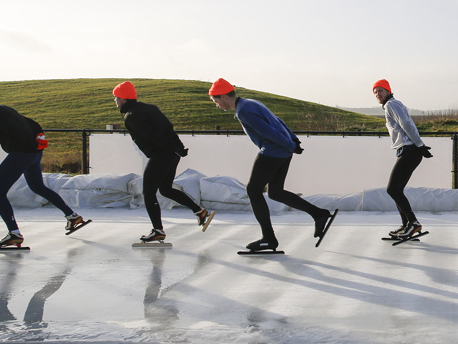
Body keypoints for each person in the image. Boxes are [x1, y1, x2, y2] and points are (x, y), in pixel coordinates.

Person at [208, 78, 334, 251]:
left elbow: (270, 131)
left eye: (216, 101)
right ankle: (319, 214)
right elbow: (278, 120)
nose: (217, 105)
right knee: (275, 192)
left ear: (223, 97)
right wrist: (294, 141)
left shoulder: (243, 110)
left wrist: (290, 144)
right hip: (283, 150)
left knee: (253, 190)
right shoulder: (250, 103)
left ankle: (268, 238)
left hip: (273, 150)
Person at [0, 82, 89, 248]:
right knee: (38, 187)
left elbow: (15, 128)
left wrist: (25, 146)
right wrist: (37, 142)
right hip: (33, 152)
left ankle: (14, 233)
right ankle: (72, 216)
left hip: (23, 153)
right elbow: (29, 122)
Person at [113, 81, 214, 243]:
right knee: (166, 189)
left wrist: (165, 149)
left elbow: (153, 136)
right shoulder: (150, 108)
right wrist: (178, 147)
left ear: (124, 98)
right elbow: (168, 128)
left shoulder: (132, 116)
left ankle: (158, 230)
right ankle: (199, 211)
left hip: (162, 154)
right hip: (172, 153)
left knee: (148, 192)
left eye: (116, 97)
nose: (115, 101)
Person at [373, 79, 432, 240]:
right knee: (396, 190)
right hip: (406, 150)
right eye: (375, 92)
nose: (378, 94)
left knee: (392, 189)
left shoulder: (391, 104)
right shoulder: (391, 105)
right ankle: (407, 225)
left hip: (410, 150)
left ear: (388, 91)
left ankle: (412, 223)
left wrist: (419, 145)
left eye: (381, 91)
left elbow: (406, 123)